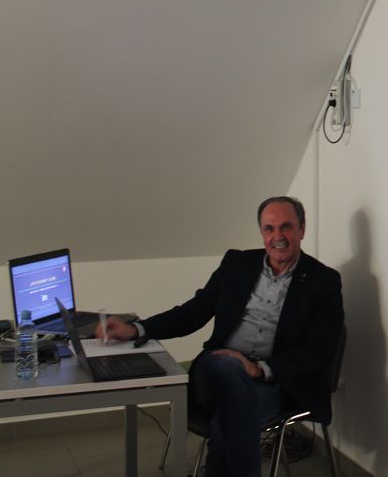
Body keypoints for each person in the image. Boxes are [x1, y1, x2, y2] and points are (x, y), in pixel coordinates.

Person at [99, 196, 344, 477]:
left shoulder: (323, 281)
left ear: (302, 229)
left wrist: (260, 369)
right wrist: (137, 329)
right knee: (228, 367)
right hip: (215, 370)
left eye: (286, 227)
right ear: (262, 232)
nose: (278, 236)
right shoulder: (237, 264)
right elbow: (193, 313)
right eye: (269, 228)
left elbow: (319, 348)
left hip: (271, 380)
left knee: (234, 414)